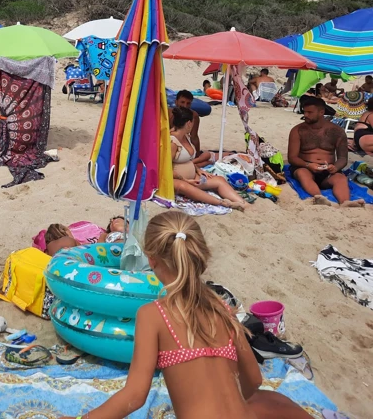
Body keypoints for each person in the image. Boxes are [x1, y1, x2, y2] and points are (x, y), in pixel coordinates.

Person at [59, 211, 313, 419]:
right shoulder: (222, 309)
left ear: (152, 259)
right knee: (271, 399)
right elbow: (254, 380)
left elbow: (135, 396)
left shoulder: (153, 314)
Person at [288, 96, 363, 207]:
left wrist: (336, 167)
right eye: (305, 112)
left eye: (310, 112)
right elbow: (292, 158)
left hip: (328, 170)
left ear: (321, 112)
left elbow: (342, 158)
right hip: (305, 167)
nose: (306, 115)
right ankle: (319, 197)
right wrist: (308, 165)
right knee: (302, 174)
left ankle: (345, 202)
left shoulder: (337, 131)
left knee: (341, 178)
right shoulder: (298, 130)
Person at [170, 107, 246, 211]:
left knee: (219, 180)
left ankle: (243, 203)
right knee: (185, 187)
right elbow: (165, 169)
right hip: (175, 179)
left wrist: (198, 170)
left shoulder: (186, 137)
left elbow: (188, 161)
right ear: (188, 123)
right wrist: (185, 180)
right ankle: (223, 203)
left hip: (192, 177)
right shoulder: (172, 142)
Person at [168, 90, 210, 167]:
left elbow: (194, 137)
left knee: (208, 156)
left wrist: (197, 154)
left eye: (188, 103)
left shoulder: (193, 116)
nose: (185, 106)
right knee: (206, 161)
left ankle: (195, 162)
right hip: (174, 146)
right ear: (176, 102)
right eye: (182, 102)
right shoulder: (169, 114)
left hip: (186, 146)